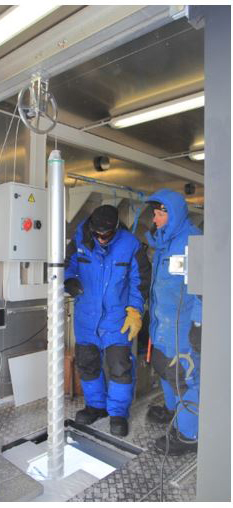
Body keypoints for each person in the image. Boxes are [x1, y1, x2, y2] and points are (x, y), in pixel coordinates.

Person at [63, 204, 150, 437]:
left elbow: (139, 282)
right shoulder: (81, 238)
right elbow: (67, 265)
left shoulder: (130, 245)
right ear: (92, 227)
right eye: (97, 234)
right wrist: (69, 280)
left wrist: (135, 311)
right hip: (86, 319)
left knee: (120, 368)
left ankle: (119, 413)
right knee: (88, 365)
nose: (101, 239)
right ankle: (96, 406)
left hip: (117, 319)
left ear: (116, 228)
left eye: (107, 235)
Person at [142, 189, 202, 456]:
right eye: (154, 214)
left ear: (172, 213)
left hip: (184, 328)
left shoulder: (193, 242)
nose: (154, 220)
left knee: (186, 379)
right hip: (163, 326)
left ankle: (189, 435)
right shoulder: (163, 243)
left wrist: (200, 326)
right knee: (166, 370)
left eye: (158, 214)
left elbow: (204, 289)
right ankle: (171, 411)